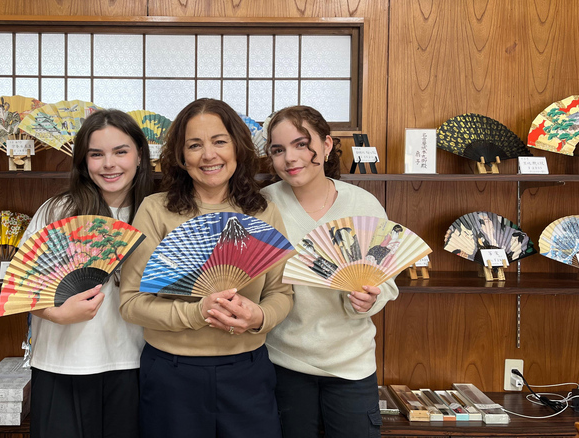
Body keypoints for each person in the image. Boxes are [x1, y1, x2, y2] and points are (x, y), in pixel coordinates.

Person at [119, 99, 293, 438]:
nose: (208, 155)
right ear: (182, 157)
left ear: (238, 148)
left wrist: (259, 317)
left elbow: (281, 292)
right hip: (172, 373)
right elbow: (130, 304)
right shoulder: (156, 210)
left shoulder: (262, 211)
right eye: (194, 145)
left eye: (219, 141)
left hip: (247, 371)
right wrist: (198, 311)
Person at [262, 105, 398, 438]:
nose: (290, 158)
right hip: (282, 362)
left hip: (351, 365)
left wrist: (369, 300)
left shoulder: (362, 204)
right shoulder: (263, 205)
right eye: (278, 150)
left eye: (300, 144)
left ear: (325, 145)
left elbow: (388, 280)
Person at [23, 109, 153, 438]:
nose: (109, 164)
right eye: (96, 154)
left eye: (121, 151)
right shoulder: (58, 211)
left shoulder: (154, 213)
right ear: (84, 161)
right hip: (61, 365)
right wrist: (57, 313)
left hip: (133, 364)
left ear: (140, 154)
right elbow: (20, 289)